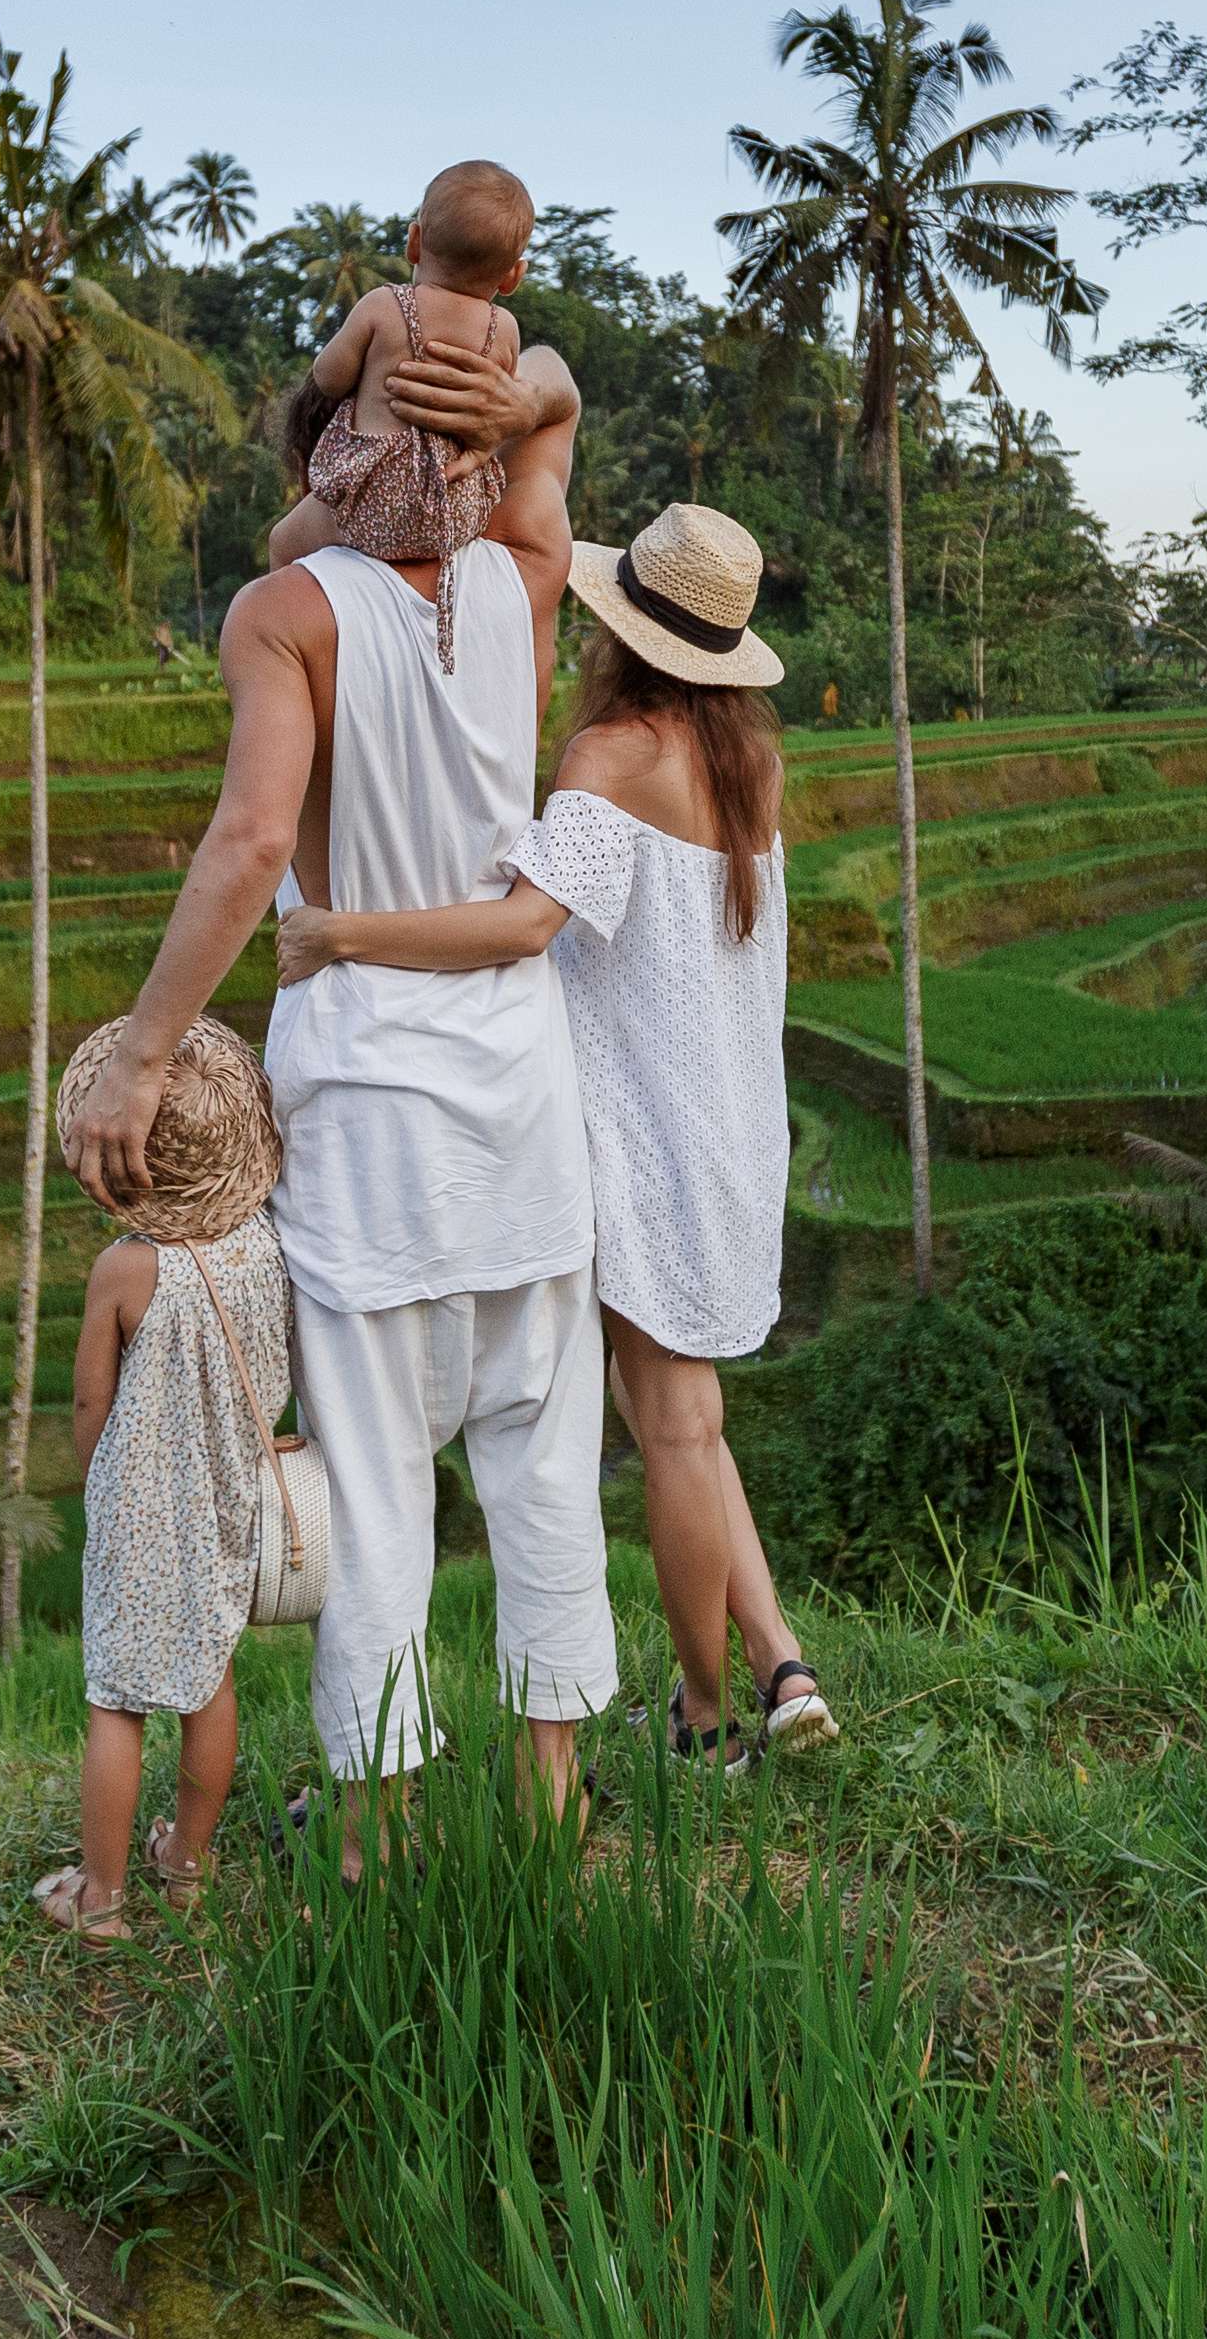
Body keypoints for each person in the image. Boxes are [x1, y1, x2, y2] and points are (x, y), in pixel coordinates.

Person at [62, 318, 605, 1815]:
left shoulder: (282, 611)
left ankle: (377, 1837)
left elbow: (249, 845)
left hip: (370, 1107)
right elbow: (551, 414)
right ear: (489, 456)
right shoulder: (533, 578)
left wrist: (144, 1057)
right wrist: (519, 391)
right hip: (522, 1100)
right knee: (544, 1465)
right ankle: (552, 1808)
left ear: (327, 454)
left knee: (374, 1492)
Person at [280, 503, 834, 1761]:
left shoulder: (612, 755)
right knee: (690, 1420)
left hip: (641, 1134)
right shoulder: (747, 763)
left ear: (618, 630)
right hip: (736, 1124)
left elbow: (526, 928)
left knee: (675, 1428)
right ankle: (780, 1668)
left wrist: (338, 932)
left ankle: (701, 1720)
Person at [36, 1013, 295, 1942]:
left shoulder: (126, 1270)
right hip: (232, 1493)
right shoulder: (268, 1247)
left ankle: (98, 1899)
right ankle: (186, 1865)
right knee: (208, 1674)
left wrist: (100, 1484)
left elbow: (86, 1408)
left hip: (144, 1501)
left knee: (119, 1697)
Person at [268, 162, 577, 621]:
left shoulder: (383, 305)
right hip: (457, 512)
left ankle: (289, 614)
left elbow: (328, 379)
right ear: (513, 276)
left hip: (375, 506)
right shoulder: (505, 328)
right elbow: (499, 397)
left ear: (414, 242)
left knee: (284, 541)